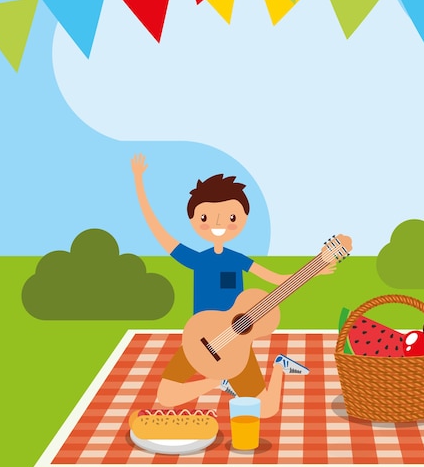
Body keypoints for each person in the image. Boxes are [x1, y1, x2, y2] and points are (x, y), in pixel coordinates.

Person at [131, 154, 337, 418]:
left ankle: (278, 366)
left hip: (236, 347)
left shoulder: (237, 259)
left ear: (243, 218)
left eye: (229, 216)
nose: (218, 224)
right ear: (194, 218)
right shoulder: (197, 259)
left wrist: (316, 267)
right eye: (206, 216)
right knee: (166, 397)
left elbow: (275, 279)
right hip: (200, 338)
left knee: (267, 410)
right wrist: (139, 182)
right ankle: (219, 382)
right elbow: (160, 233)